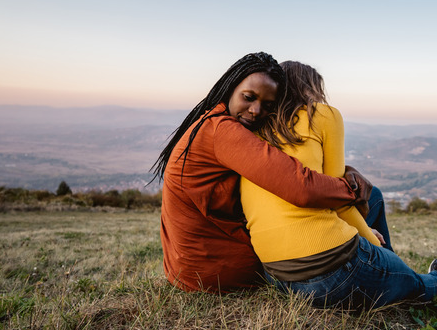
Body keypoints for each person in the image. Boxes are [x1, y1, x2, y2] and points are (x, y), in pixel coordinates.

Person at [151, 52, 372, 293]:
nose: (256, 110)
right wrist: (351, 187)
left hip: (186, 268)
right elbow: (301, 186)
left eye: (267, 105)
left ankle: (380, 262)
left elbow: (283, 165)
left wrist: (348, 173)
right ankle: (383, 266)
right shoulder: (223, 131)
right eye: (248, 97)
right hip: (215, 270)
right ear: (231, 86)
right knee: (372, 197)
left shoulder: (211, 121)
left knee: (371, 197)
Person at [240, 61, 437, 310]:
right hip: (329, 275)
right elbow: (338, 199)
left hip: (276, 276)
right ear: (312, 89)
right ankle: (427, 281)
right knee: (418, 286)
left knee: (375, 197)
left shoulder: (254, 127)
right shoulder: (323, 114)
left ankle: (390, 266)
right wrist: (370, 238)